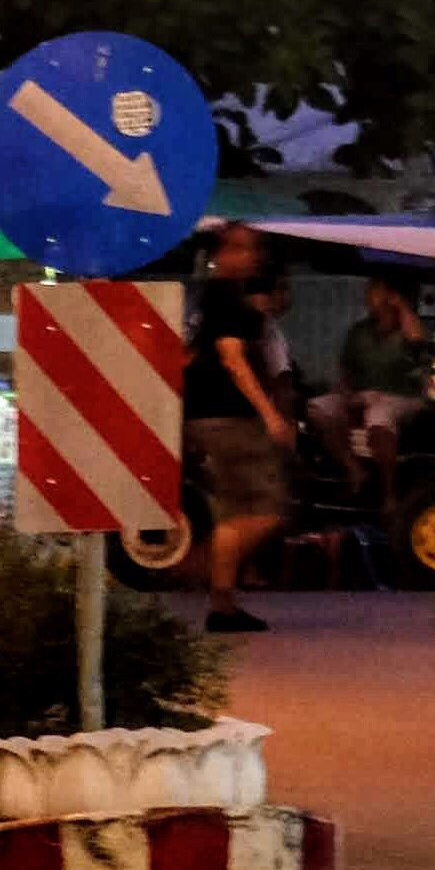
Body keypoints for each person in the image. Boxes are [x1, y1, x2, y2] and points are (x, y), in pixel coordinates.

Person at [184, 224, 296, 634]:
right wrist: (270, 414)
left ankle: (224, 604)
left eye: (253, 248)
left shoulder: (205, 299)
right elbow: (232, 358)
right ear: (223, 254)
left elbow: (191, 356)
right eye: (242, 248)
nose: (251, 256)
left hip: (204, 415)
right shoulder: (230, 300)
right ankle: (204, 568)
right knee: (267, 510)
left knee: (236, 509)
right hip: (230, 417)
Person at [317, 274, 435, 499]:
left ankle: (388, 493)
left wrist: (400, 305)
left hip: (401, 395)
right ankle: (354, 469)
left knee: (379, 415)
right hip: (364, 394)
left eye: (375, 290)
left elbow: (417, 340)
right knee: (320, 408)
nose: (368, 295)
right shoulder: (359, 331)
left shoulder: (410, 327)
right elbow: (345, 370)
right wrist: (346, 395)